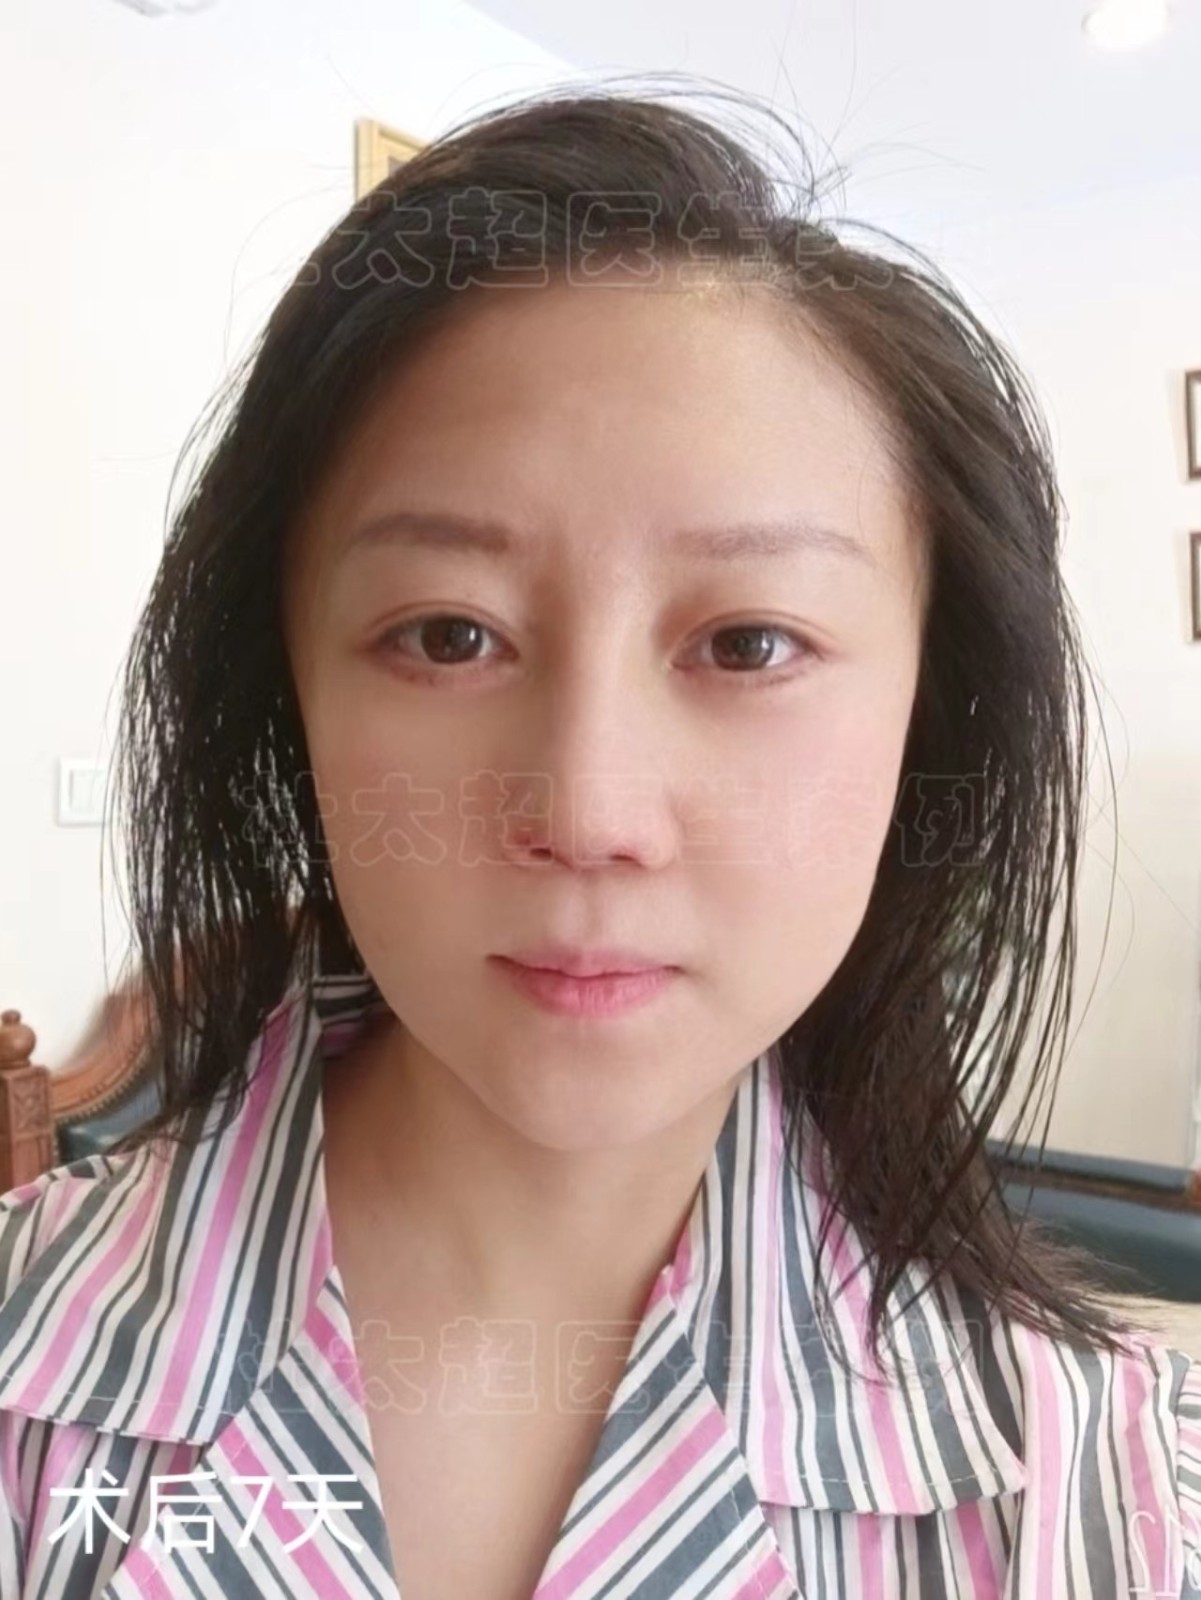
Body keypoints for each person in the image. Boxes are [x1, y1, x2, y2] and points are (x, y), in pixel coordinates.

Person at [1, 75, 1198, 1600]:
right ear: (284, 693)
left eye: (748, 645)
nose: (587, 815)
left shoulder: (1115, 1497)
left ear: (928, 712)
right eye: (448, 634)